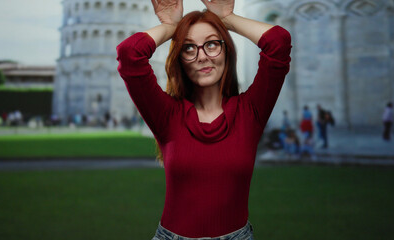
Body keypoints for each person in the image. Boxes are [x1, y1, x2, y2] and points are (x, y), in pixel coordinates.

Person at [116, 0, 291, 239]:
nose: (202, 56)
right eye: (189, 48)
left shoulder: (250, 112)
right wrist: (171, 26)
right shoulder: (166, 116)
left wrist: (226, 19)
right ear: (180, 59)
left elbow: (278, 42)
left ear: (226, 50)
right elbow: (130, 54)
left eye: (211, 44)